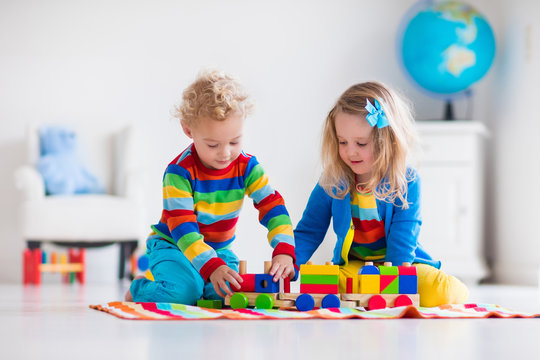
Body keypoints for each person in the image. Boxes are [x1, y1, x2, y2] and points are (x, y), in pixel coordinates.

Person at [126, 70, 296, 304]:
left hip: (217, 251)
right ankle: (138, 289)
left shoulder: (248, 167)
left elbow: (273, 206)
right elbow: (183, 229)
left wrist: (285, 250)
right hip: (174, 246)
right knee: (184, 293)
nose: (225, 153)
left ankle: (200, 280)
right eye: (213, 144)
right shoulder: (179, 172)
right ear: (189, 130)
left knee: (229, 294)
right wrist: (211, 266)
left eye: (234, 141)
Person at [294, 81, 468, 307]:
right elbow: (310, 229)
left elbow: (405, 233)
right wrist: (290, 259)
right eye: (342, 142)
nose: (350, 151)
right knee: (323, 284)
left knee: (440, 291)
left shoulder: (406, 180)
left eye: (361, 143)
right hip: (358, 265)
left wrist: (391, 282)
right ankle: (367, 293)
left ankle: (380, 293)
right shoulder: (333, 180)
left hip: (402, 265)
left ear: (386, 141)